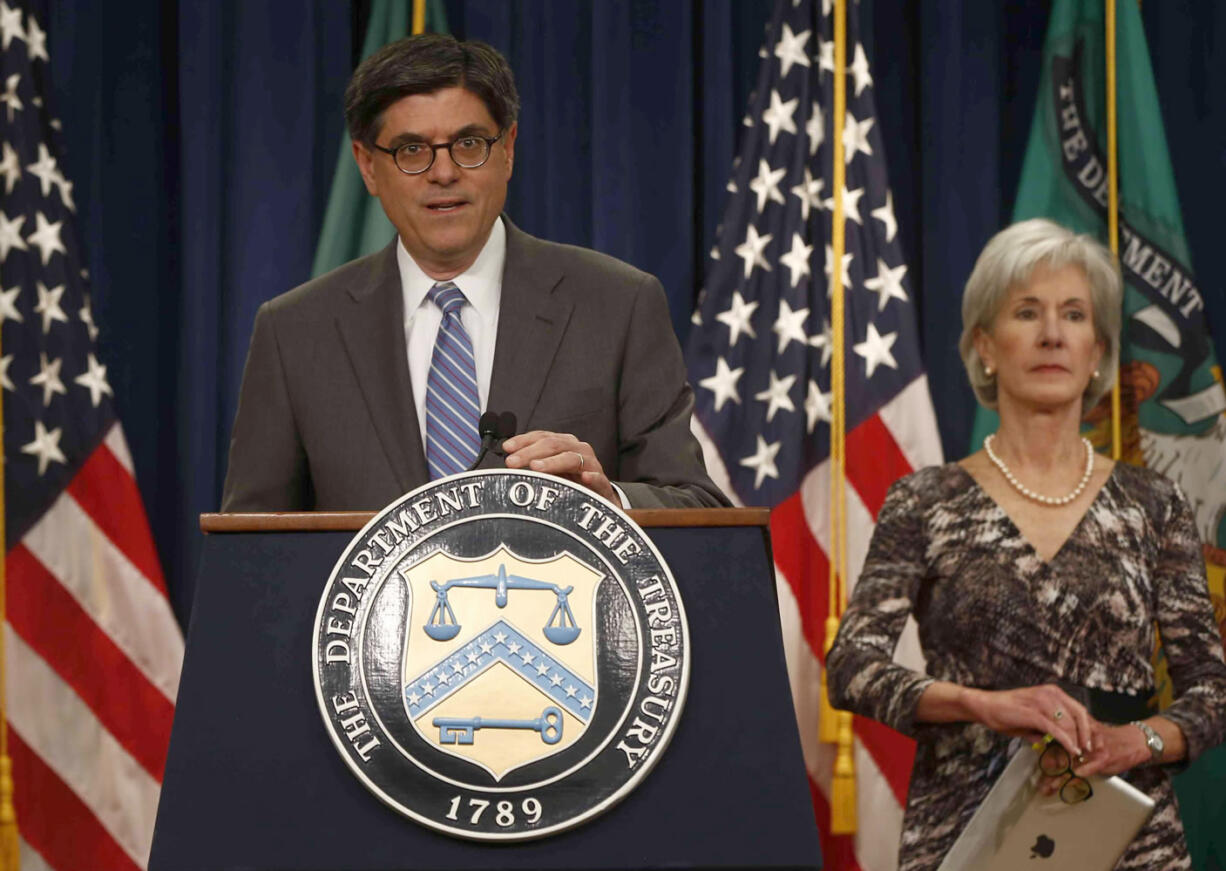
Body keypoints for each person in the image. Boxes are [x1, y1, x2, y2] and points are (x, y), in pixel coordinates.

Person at [826, 218, 1226, 871]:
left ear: (1097, 351)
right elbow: (852, 667)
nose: (1051, 334)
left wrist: (1136, 740)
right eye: (1026, 312)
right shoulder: (925, 500)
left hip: (1128, 840)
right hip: (964, 832)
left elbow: (1212, 688)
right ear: (985, 345)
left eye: (1073, 314)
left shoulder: (1158, 505)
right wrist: (981, 703)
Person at [221, 34, 727, 512]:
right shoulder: (295, 332)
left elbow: (697, 504)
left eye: (468, 144)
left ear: (507, 149)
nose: (444, 173)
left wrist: (606, 498)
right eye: (412, 150)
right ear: (368, 166)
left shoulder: (617, 305)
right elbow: (252, 552)